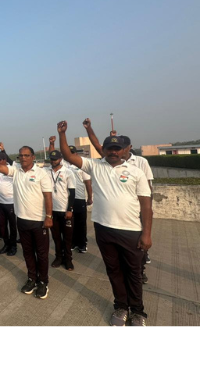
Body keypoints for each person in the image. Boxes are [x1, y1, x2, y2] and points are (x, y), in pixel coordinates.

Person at [58, 121, 152, 326]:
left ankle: (137, 312)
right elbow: (68, 156)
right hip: (104, 229)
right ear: (104, 150)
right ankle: (121, 307)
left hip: (130, 231)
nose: (113, 152)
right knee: (114, 270)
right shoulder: (95, 166)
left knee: (134, 273)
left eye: (117, 148)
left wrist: (146, 234)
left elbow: (146, 205)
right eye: (110, 148)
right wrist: (62, 134)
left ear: (124, 150)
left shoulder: (136, 172)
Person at [0, 145, 53, 299]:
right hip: (22, 219)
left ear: (33, 157)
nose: (23, 158)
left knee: (42, 254)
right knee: (27, 252)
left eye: (26, 155)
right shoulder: (15, 171)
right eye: (21, 155)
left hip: (39, 221)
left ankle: (43, 282)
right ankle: (32, 278)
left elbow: (48, 196)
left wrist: (49, 216)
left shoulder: (42, 174)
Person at [43, 150, 76, 270]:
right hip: (52, 210)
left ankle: (68, 259)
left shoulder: (68, 172)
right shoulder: (46, 171)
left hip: (64, 209)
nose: (53, 161)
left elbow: (72, 192)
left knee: (67, 238)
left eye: (55, 159)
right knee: (56, 237)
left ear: (60, 159)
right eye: (51, 159)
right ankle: (58, 257)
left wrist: (70, 209)